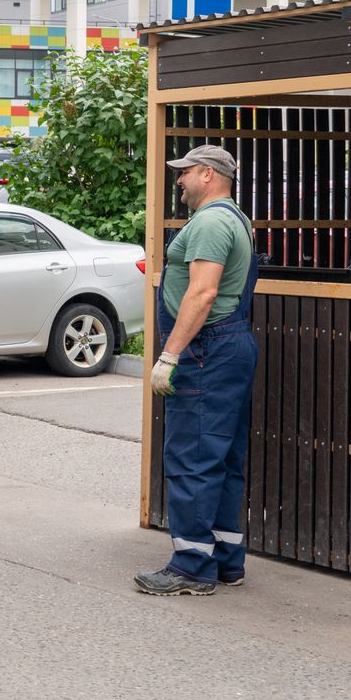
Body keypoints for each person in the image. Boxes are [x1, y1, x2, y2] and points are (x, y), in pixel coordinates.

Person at [136, 144, 261, 597]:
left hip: (206, 349)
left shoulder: (209, 222)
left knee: (191, 457)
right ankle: (226, 561)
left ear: (208, 175)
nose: (179, 180)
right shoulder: (238, 219)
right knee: (223, 459)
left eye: (185, 172)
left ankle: (191, 566)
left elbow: (202, 293)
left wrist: (169, 355)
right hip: (231, 345)